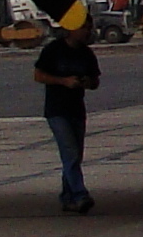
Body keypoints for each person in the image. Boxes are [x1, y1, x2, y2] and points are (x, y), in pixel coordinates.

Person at [33, 20, 101, 210]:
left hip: (77, 109)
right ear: (71, 29)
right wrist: (63, 81)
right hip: (57, 110)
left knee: (74, 155)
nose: (87, 32)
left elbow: (95, 80)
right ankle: (80, 194)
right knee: (70, 152)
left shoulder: (86, 53)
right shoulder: (53, 50)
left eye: (89, 28)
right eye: (84, 28)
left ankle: (67, 197)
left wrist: (88, 82)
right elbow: (38, 75)